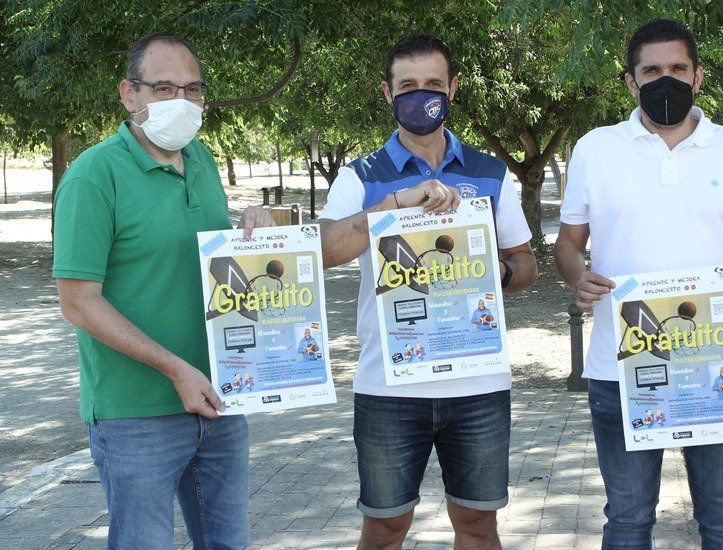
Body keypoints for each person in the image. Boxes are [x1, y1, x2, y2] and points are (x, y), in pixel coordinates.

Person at [554, 19, 723, 550]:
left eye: (678, 68)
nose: (666, 80)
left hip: (718, 365)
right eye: (651, 70)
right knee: (629, 521)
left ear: (698, 75)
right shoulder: (595, 149)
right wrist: (577, 277)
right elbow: (567, 244)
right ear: (631, 82)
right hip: (622, 367)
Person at [52, 33, 274, 549]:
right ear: (129, 94)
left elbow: (213, 264)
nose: (182, 101)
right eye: (165, 87)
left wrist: (257, 234)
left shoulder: (202, 161)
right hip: (136, 417)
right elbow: (77, 300)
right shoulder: (93, 176)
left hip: (221, 401)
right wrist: (176, 369)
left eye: (193, 89)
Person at [319, 33, 536, 550]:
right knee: (385, 528)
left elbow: (524, 264)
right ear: (387, 93)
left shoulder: (491, 173)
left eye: (433, 84)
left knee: (479, 526)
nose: (422, 96)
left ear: (453, 89)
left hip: (478, 385)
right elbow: (326, 251)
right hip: (388, 389)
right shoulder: (359, 177)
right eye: (408, 86)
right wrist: (395, 202)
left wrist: (492, 276)